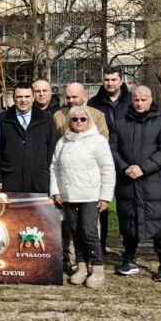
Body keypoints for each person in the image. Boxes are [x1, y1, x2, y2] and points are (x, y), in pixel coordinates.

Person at [109, 86, 161, 282]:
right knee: (129, 221)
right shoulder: (120, 124)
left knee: (160, 225)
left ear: (150, 100)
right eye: (136, 100)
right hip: (127, 182)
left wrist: (143, 168)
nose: (139, 103)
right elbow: (112, 149)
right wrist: (125, 168)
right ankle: (129, 260)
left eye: (143, 100)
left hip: (152, 183)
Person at [50, 106, 116, 289]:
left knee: (89, 231)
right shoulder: (63, 141)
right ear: (69, 122)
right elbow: (54, 167)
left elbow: (108, 170)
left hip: (90, 195)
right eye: (74, 119)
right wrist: (55, 190)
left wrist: (105, 196)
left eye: (82, 119)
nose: (78, 122)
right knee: (75, 232)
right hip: (69, 195)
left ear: (89, 120)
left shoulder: (98, 141)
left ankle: (97, 268)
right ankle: (81, 267)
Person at [0, 84, 56, 194]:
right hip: (11, 180)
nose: (23, 100)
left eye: (27, 96)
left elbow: (51, 150)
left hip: (39, 180)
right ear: (13, 98)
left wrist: (52, 179)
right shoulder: (2, 119)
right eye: (19, 97)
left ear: (33, 97)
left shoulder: (46, 119)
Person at [88, 66, 132, 132]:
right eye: (106, 80)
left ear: (121, 81)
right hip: (103, 141)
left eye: (113, 80)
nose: (110, 83)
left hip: (127, 141)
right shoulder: (93, 103)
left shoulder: (132, 99)